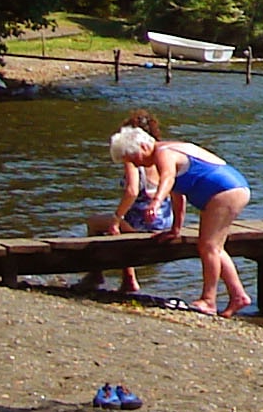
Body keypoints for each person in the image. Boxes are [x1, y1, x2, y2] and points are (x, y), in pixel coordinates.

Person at [106, 120, 255, 316]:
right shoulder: (169, 151)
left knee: (208, 246)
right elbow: (178, 195)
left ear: (143, 146)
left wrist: (156, 202)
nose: (136, 164)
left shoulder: (164, 153)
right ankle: (238, 296)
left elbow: (168, 178)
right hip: (231, 189)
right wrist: (176, 228)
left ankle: (209, 301)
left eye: (135, 159)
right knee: (215, 247)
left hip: (225, 191)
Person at [80, 110, 170, 293]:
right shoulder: (163, 156)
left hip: (144, 224)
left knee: (95, 223)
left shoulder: (133, 157)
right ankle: (126, 279)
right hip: (165, 221)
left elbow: (132, 191)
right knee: (122, 223)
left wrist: (116, 216)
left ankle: (99, 274)